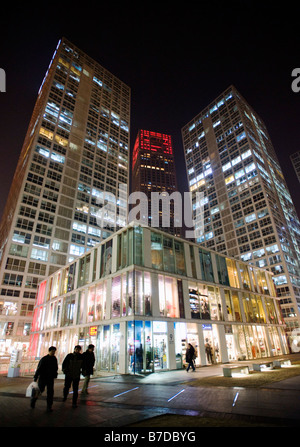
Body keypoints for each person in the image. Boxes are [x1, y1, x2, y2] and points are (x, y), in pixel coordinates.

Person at [31, 346, 58, 412]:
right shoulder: (44, 359)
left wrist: (55, 374)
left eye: (54, 351)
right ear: (49, 351)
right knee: (40, 390)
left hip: (50, 378)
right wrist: (36, 377)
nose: (53, 352)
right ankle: (34, 400)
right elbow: (39, 368)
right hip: (43, 377)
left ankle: (49, 406)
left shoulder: (54, 359)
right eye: (52, 351)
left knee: (50, 392)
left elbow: (56, 367)